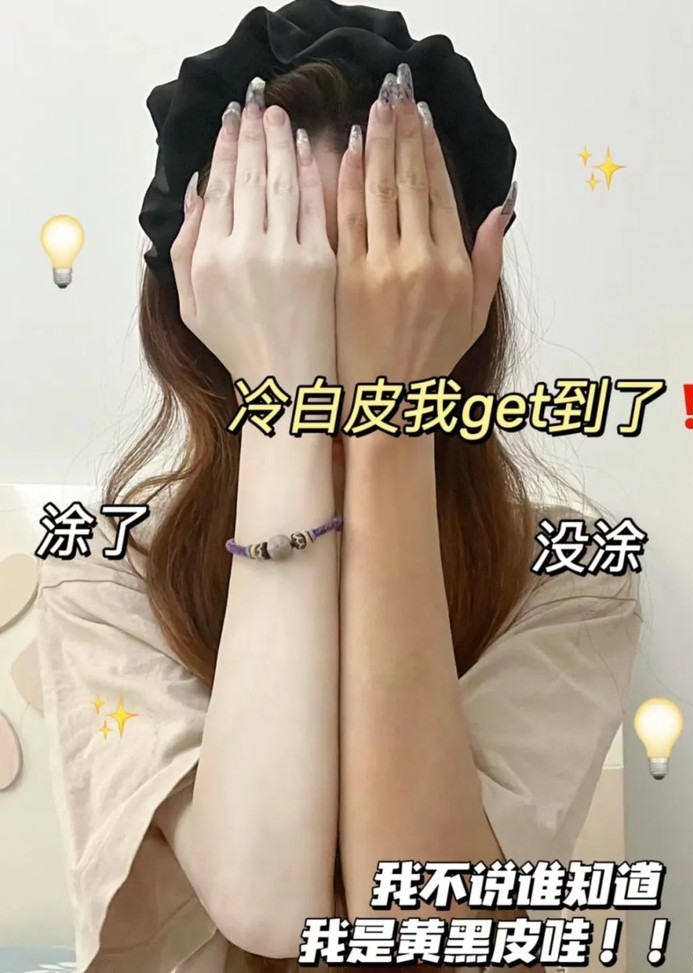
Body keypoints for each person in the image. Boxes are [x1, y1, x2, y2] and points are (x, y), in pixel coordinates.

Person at [36, 2, 642, 972]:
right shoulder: (107, 568)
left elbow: (416, 927)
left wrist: (391, 417)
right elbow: (269, 901)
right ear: (197, 307)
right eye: (278, 280)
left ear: (462, 296)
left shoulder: (570, 577)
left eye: (381, 280)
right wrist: (286, 407)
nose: (329, 319)